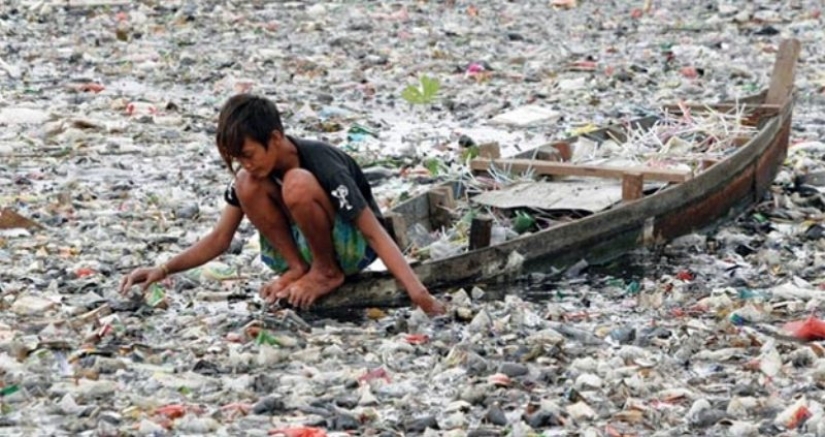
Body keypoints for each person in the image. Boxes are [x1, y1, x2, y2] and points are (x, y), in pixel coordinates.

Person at [120, 94, 445, 315]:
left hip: (351, 248)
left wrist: (419, 294)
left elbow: (374, 232)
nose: (245, 163)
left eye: (248, 154)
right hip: (304, 249)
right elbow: (220, 239)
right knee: (246, 185)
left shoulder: (322, 163)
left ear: (275, 139)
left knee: (297, 183)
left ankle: (326, 271)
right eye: (237, 158)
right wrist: (162, 269)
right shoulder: (252, 174)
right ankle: (298, 268)